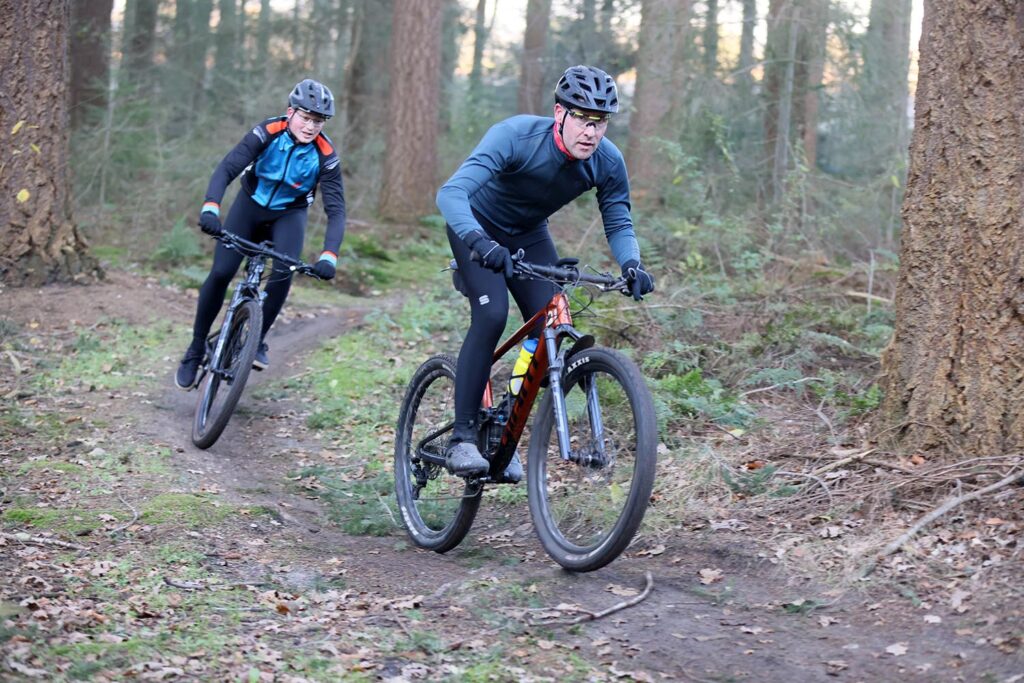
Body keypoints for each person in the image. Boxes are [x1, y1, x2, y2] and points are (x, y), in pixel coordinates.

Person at [435, 64, 655, 480]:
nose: (591, 132)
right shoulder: (517, 136)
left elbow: (619, 220)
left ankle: (502, 427)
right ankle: (462, 437)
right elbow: (451, 193)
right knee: (492, 314)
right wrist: (481, 243)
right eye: (583, 120)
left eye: (601, 122)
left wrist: (632, 264)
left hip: (528, 233)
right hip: (476, 226)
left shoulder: (607, 161)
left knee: (552, 321)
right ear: (559, 114)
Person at [175, 78, 347, 390]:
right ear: (290, 112)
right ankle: (196, 347)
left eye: (318, 121)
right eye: (306, 118)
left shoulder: (325, 155)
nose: (310, 127)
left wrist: (329, 255)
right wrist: (211, 208)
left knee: (284, 271)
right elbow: (227, 168)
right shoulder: (267, 132)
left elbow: (336, 210)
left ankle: (256, 340)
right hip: (249, 206)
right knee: (222, 271)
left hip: (289, 214)